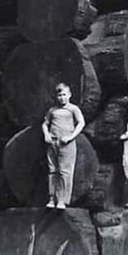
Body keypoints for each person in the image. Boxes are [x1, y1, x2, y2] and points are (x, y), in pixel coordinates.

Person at [42, 82, 85, 210]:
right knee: (52, 170)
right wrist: (46, 135)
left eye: (64, 95)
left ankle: (62, 200)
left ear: (69, 95)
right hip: (53, 142)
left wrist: (71, 137)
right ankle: (52, 198)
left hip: (66, 143)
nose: (62, 97)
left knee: (64, 171)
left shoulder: (73, 109)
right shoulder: (53, 110)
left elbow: (81, 123)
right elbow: (45, 124)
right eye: (59, 95)